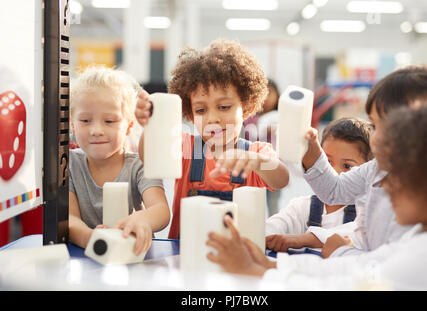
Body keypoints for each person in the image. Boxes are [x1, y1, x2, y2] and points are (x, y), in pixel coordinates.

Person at [206, 97, 427, 290]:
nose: (384, 185)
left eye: (397, 175)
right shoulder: (419, 241)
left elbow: (345, 286)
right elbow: (358, 270)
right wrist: (271, 265)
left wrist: (258, 273)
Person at [134, 39, 290, 239]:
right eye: (201, 110)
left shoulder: (257, 152)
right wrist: (151, 125)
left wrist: (259, 162)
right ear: (190, 115)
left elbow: (281, 180)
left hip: (239, 259)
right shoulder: (184, 146)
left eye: (224, 107)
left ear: (248, 107)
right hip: (184, 255)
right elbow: (149, 155)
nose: (213, 119)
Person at [302, 66, 427, 258]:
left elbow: (388, 267)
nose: (376, 138)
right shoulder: (376, 168)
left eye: (389, 126)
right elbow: (333, 191)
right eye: (373, 125)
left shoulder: (426, 200)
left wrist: (341, 252)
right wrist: (310, 146)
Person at [69, 65, 170, 256]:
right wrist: (91, 237)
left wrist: (142, 220)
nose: (96, 130)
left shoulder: (140, 165)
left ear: (129, 125)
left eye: (109, 121)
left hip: (134, 254)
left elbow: (161, 210)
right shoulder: (70, 164)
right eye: (85, 120)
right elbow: (70, 218)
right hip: (87, 256)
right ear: (73, 125)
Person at [265, 117, 373, 252]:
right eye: (327, 162)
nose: (334, 172)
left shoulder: (367, 213)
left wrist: (303, 239)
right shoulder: (304, 207)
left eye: (347, 166)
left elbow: (358, 235)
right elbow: (277, 225)